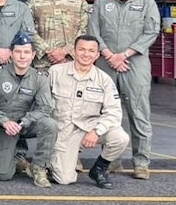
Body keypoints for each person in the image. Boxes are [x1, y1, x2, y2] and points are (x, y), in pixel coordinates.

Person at [88, 0, 160, 179]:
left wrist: (124, 55)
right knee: (106, 113)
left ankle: (141, 163)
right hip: (105, 64)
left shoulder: (147, 5)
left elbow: (151, 32)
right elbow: (93, 30)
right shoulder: (102, 4)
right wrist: (110, 55)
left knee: (139, 113)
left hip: (134, 65)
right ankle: (112, 160)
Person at [50, 34, 129, 189]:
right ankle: (54, 162)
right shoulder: (55, 72)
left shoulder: (104, 80)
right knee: (64, 179)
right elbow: (42, 104)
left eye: (91, 51)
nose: (86, 54)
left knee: (120, 138)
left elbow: (113, 111)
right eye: (82, 49)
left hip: (90, 127)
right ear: (74, 51)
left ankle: (99, 169)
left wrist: (97, 131)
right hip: (64, 131)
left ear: (97, 55)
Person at [0, 32, 57, 188]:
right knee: (3, 175)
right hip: (2, 127)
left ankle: (39, 167)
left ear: (33, 55)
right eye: (18, 52)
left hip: (25, 124)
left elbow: (45, 108)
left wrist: (24, 122)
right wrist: (4, 121)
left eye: (26, 52)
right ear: (11, 54)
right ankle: (15, 155)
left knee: (49, 124)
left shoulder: (39, 78)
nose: (22, 56)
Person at [28, 0, 91, 70]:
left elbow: (84, 29)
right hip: (42, 63)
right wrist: (47, 50)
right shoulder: (34, 1)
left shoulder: (79, 2)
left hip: (71, 62)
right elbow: (28, 28)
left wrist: (65, 51)